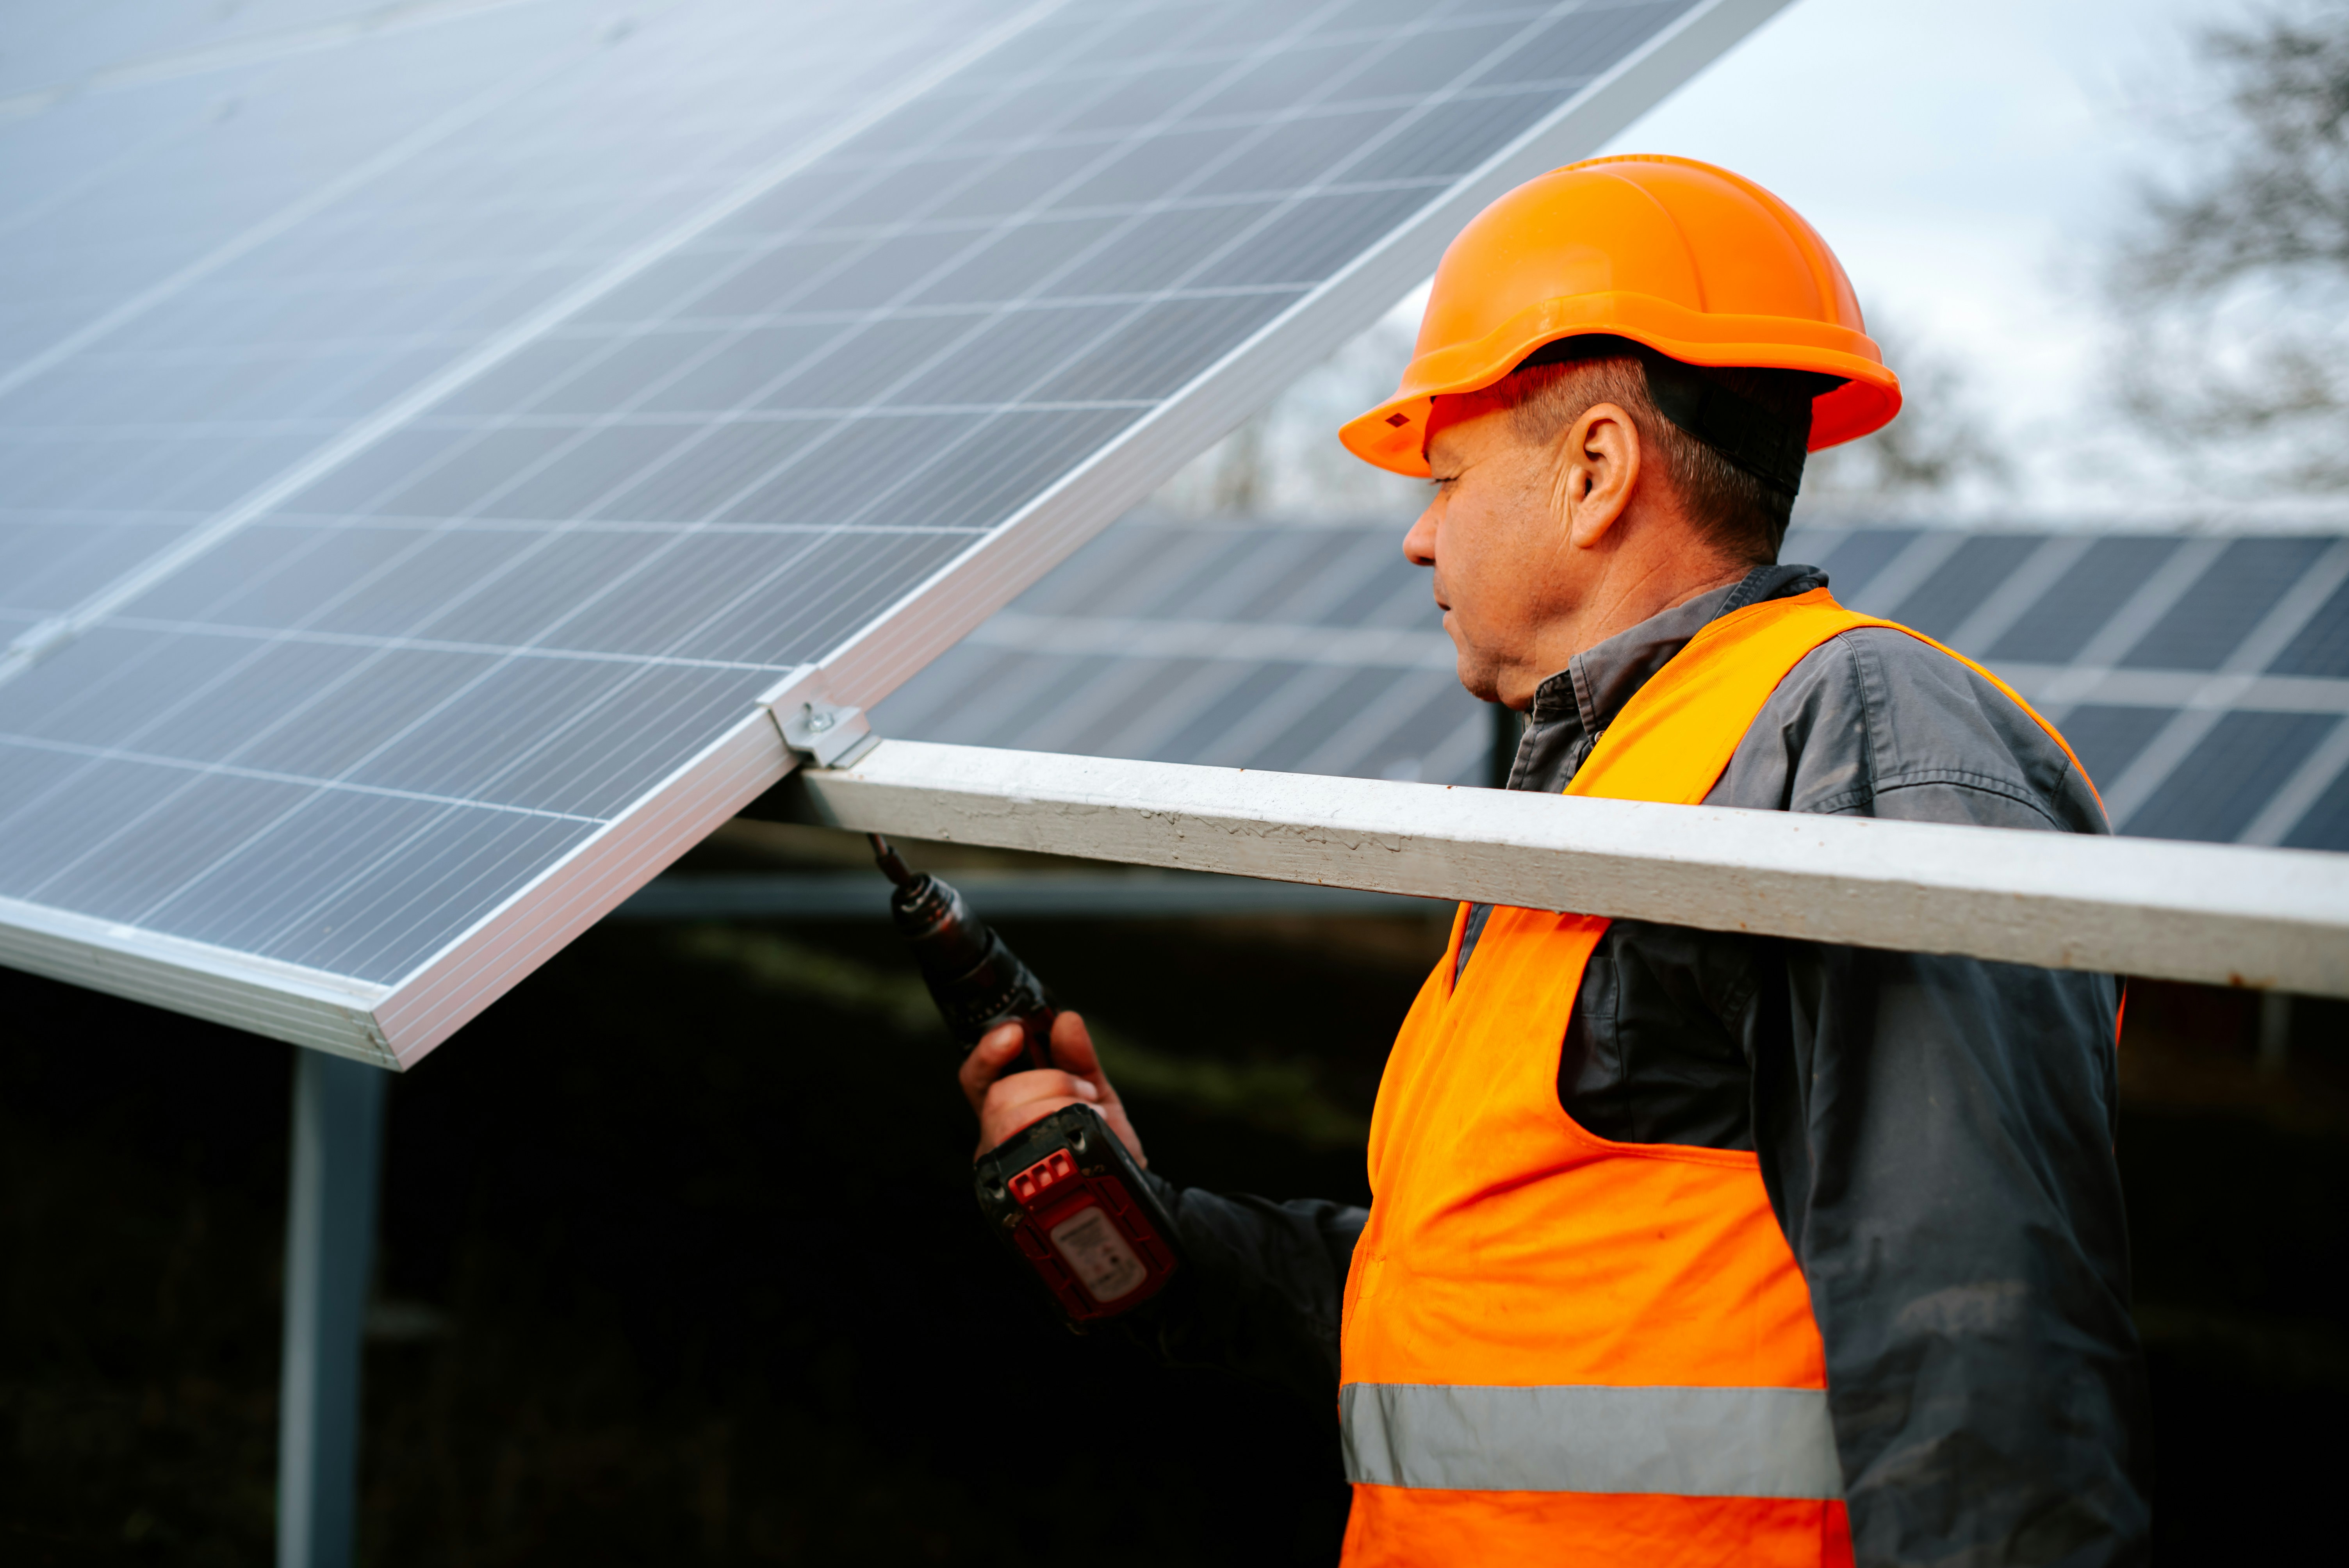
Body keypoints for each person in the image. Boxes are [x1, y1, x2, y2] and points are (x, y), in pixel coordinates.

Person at [958, 156, 2151, 1566]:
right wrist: (1161, 1241)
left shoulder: (1855, 737)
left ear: (1595, 472)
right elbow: (1497, 1313)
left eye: (1446, 476)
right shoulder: (1598, 793)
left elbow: (1983, 1357)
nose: (1415, 536)